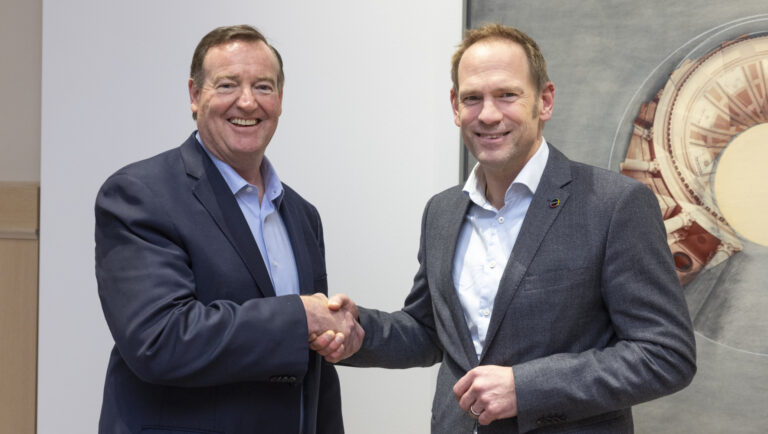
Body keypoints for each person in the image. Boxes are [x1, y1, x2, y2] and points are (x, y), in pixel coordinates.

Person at [312, 24, 697, 433]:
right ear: (455, 106)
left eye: (507, 95)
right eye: (472, 98)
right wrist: (359, 332)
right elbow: (431, 330)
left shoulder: (614, 205)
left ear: (544, 101)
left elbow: (665, 354)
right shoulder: (441, 211)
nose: (488, 114)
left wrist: (526, 388)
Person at [95, 24, 359, 434]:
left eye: (264, 86)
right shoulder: (140, 194)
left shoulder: (302, 215)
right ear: (194, 94)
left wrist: (329, 332)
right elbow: (159, 340)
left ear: (280, 99)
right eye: (227, 85)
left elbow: (315, 373)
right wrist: (300, 317)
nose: (247, 101)